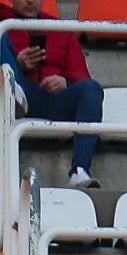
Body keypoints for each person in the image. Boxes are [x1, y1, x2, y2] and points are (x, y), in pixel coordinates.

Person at [2, 0, 103, 188]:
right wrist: (18, 66)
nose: (30, 1)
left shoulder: (59, 28)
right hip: (10, 97)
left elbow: (81, 73)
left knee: (91, 89)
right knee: (5, 55)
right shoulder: (3, 22)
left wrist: (66, 81)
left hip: (50, 99)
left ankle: (79, 171)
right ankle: (14, 88)